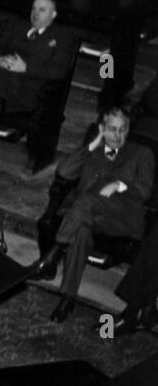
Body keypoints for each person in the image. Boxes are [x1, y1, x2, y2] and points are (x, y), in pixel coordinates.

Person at [34, 109, 154, 322]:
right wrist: (92, 145)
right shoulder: (92, 152)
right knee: (80, 230)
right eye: (111, 129)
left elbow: (145, 191)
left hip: (122, 218)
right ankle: (68, 298)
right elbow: (63, 172)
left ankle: (55, 251)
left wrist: (120, 185)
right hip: (88, 216)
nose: (117, 135)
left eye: (122, 130)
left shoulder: (141, 153)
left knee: (85, 202)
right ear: (101, 129)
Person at [0, 0, 75, 173]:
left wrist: (26, 68)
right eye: (33, 9)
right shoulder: (16, 26)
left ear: (53, 15)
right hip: (0, 83)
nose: (35, 14)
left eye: (42, 10)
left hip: (29, 92)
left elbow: (60, 71)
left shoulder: (62, 36)